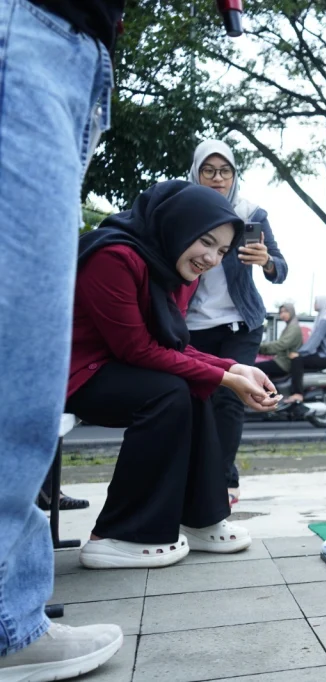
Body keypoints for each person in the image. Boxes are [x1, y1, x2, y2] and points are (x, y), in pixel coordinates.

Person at [0, 0, 123, 676]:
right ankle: (8, 621)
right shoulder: (126, 259)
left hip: (64, 46)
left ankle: (12, 615)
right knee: (15, 347)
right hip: (32, 32)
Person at [67, 181, 279, 571]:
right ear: (179, 225)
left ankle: (199, 520)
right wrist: (226, 379)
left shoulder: (175, 269)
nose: (211, 258)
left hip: (116, 367)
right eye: (206, 242)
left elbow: (174, 345)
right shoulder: (114, 256)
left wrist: (233, 367)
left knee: (190, 387)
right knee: (168, 392)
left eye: (222, 251)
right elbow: (137, 349)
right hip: (74, 374)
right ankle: (118, 535)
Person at [185, 139, 288, 505]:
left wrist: (266, 261)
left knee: (231, 398)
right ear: (196, 173)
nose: (217, 178)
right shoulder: (182, 208)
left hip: (240, 323)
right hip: (191, 325)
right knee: (195, 402)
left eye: (225, 171)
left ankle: (223, 481)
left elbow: (281, 269)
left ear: (234, 176)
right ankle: (194, 475)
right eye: (209, 170)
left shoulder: (250, 213)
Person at [282, 296, 326, 404]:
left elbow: (315, 340)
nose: (314, 304)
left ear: (322, 303)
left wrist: (299, 353)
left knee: (297, 360)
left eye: (316, 302)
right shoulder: (323, 318)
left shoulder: (325, 321)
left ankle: (298, 394)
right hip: (324, 356)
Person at [255, 303, 304, 381]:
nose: (283, 314)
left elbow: (281, 344)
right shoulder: (290, 326)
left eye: (286, 311)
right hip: (281, 361)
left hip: (284, 363)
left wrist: (259, 347)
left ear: (291, 312)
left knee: (255, 368)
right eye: (281, 312)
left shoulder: (293, 327)